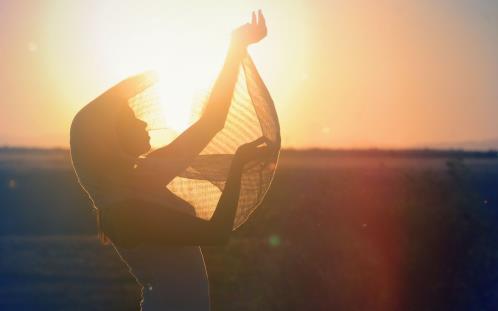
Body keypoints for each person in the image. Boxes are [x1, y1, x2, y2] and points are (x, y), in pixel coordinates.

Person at [70, 11, 270, 310]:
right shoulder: (124, 211)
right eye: (131, 119)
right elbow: (216, 233)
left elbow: (212, 121)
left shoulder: (142, 178)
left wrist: (235, 48)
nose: (144, 123)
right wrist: (237, 165)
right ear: (109, 140)